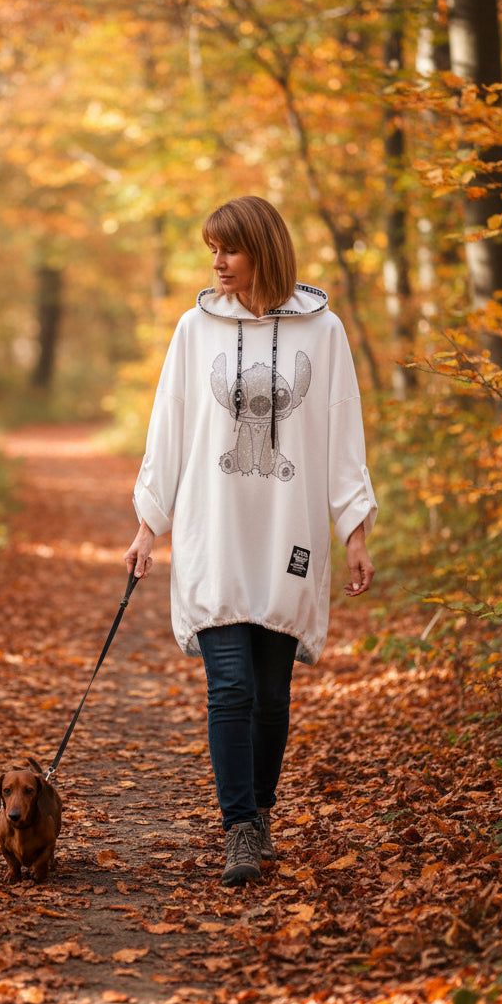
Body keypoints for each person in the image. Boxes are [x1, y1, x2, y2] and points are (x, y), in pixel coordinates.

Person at [124, 195, 377, 886]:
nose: (217, 262)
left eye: (229, 249)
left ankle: (260, 813)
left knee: (271, 693)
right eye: (212, 248)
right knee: (229, 687)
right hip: (213, 532)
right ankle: (239, 828)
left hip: (287, 533)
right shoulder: (193, 330)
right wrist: (149, 523)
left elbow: (342, 431)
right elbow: (168, 427)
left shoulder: (322, 333)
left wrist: (354, 528)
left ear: (263, 250)